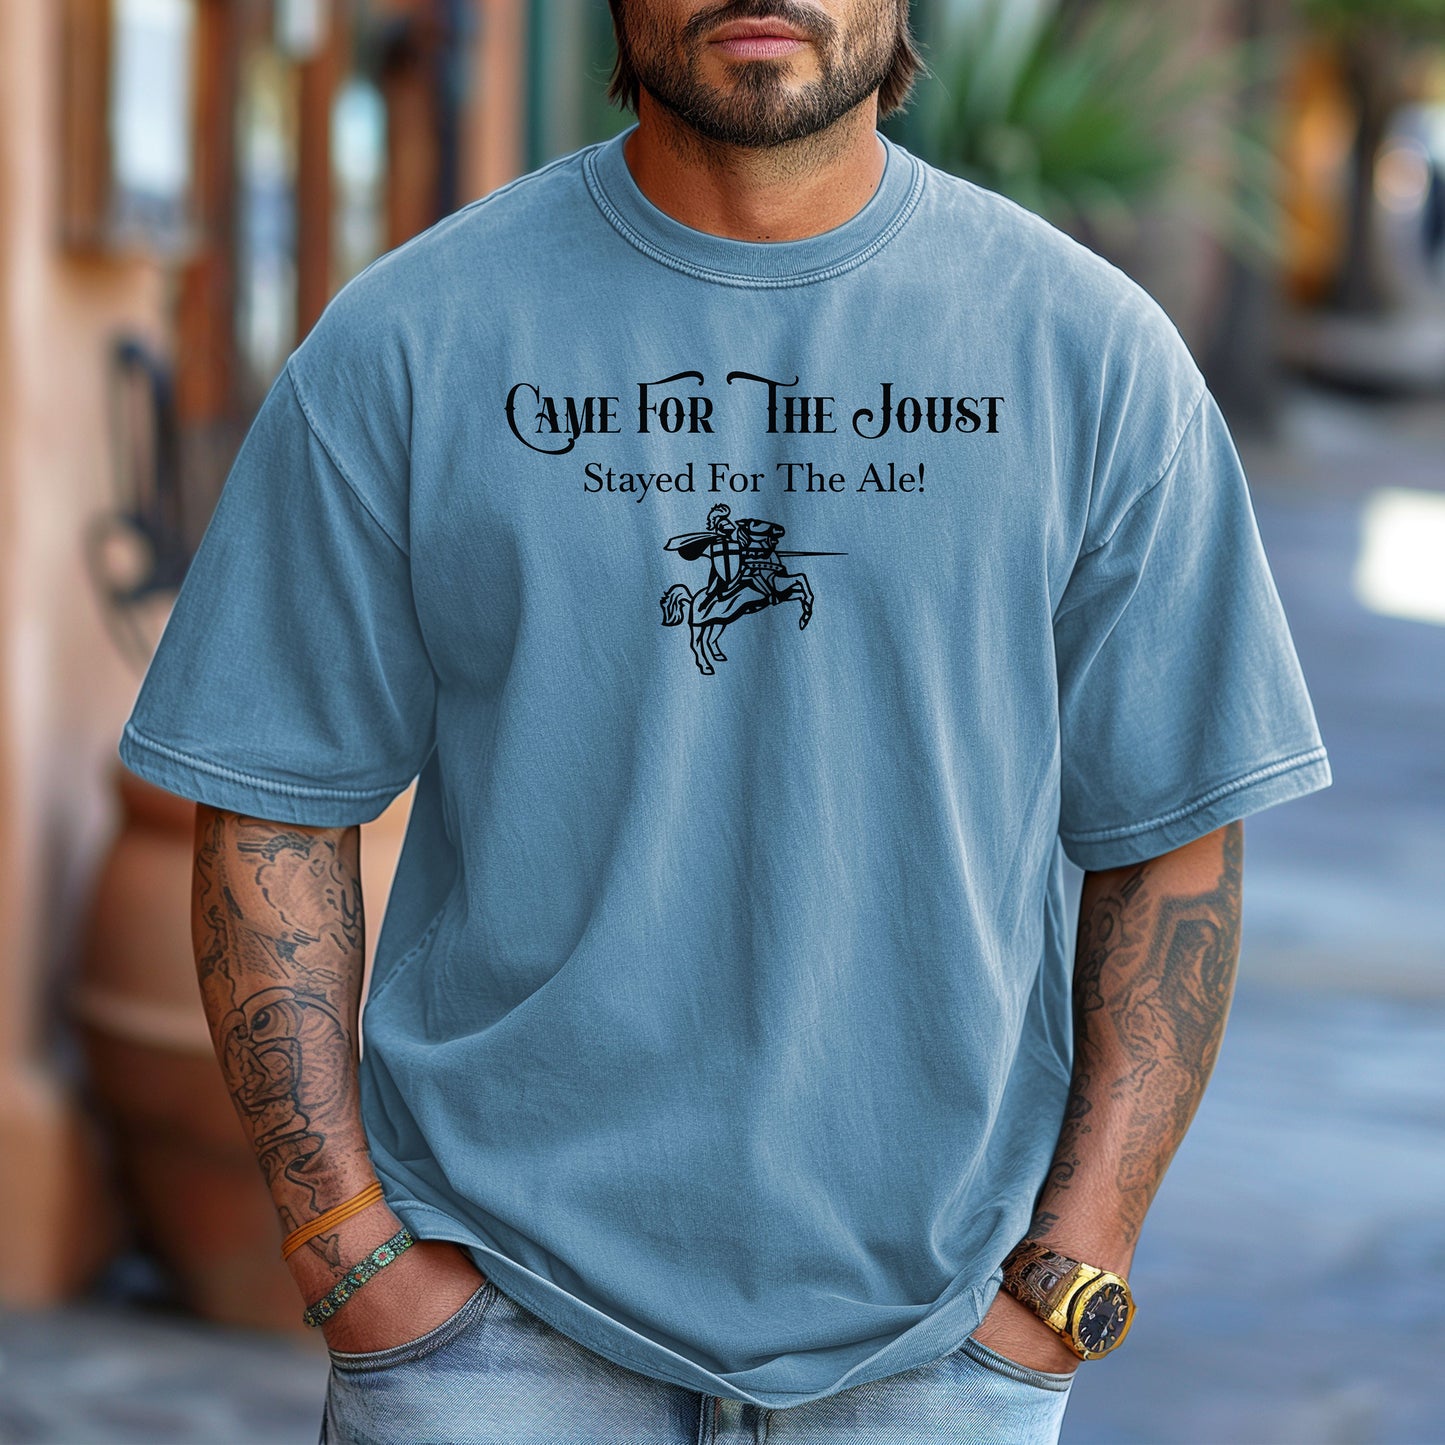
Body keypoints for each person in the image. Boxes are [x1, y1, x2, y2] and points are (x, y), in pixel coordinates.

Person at [118, 2, 1331, 1441]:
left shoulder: (1092, 360)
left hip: (939, 1344)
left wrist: (1074, 1269)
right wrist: (347, 1244)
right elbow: (269, 795)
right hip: (497, 1334)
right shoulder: (410, 340)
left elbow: (1175, 838)